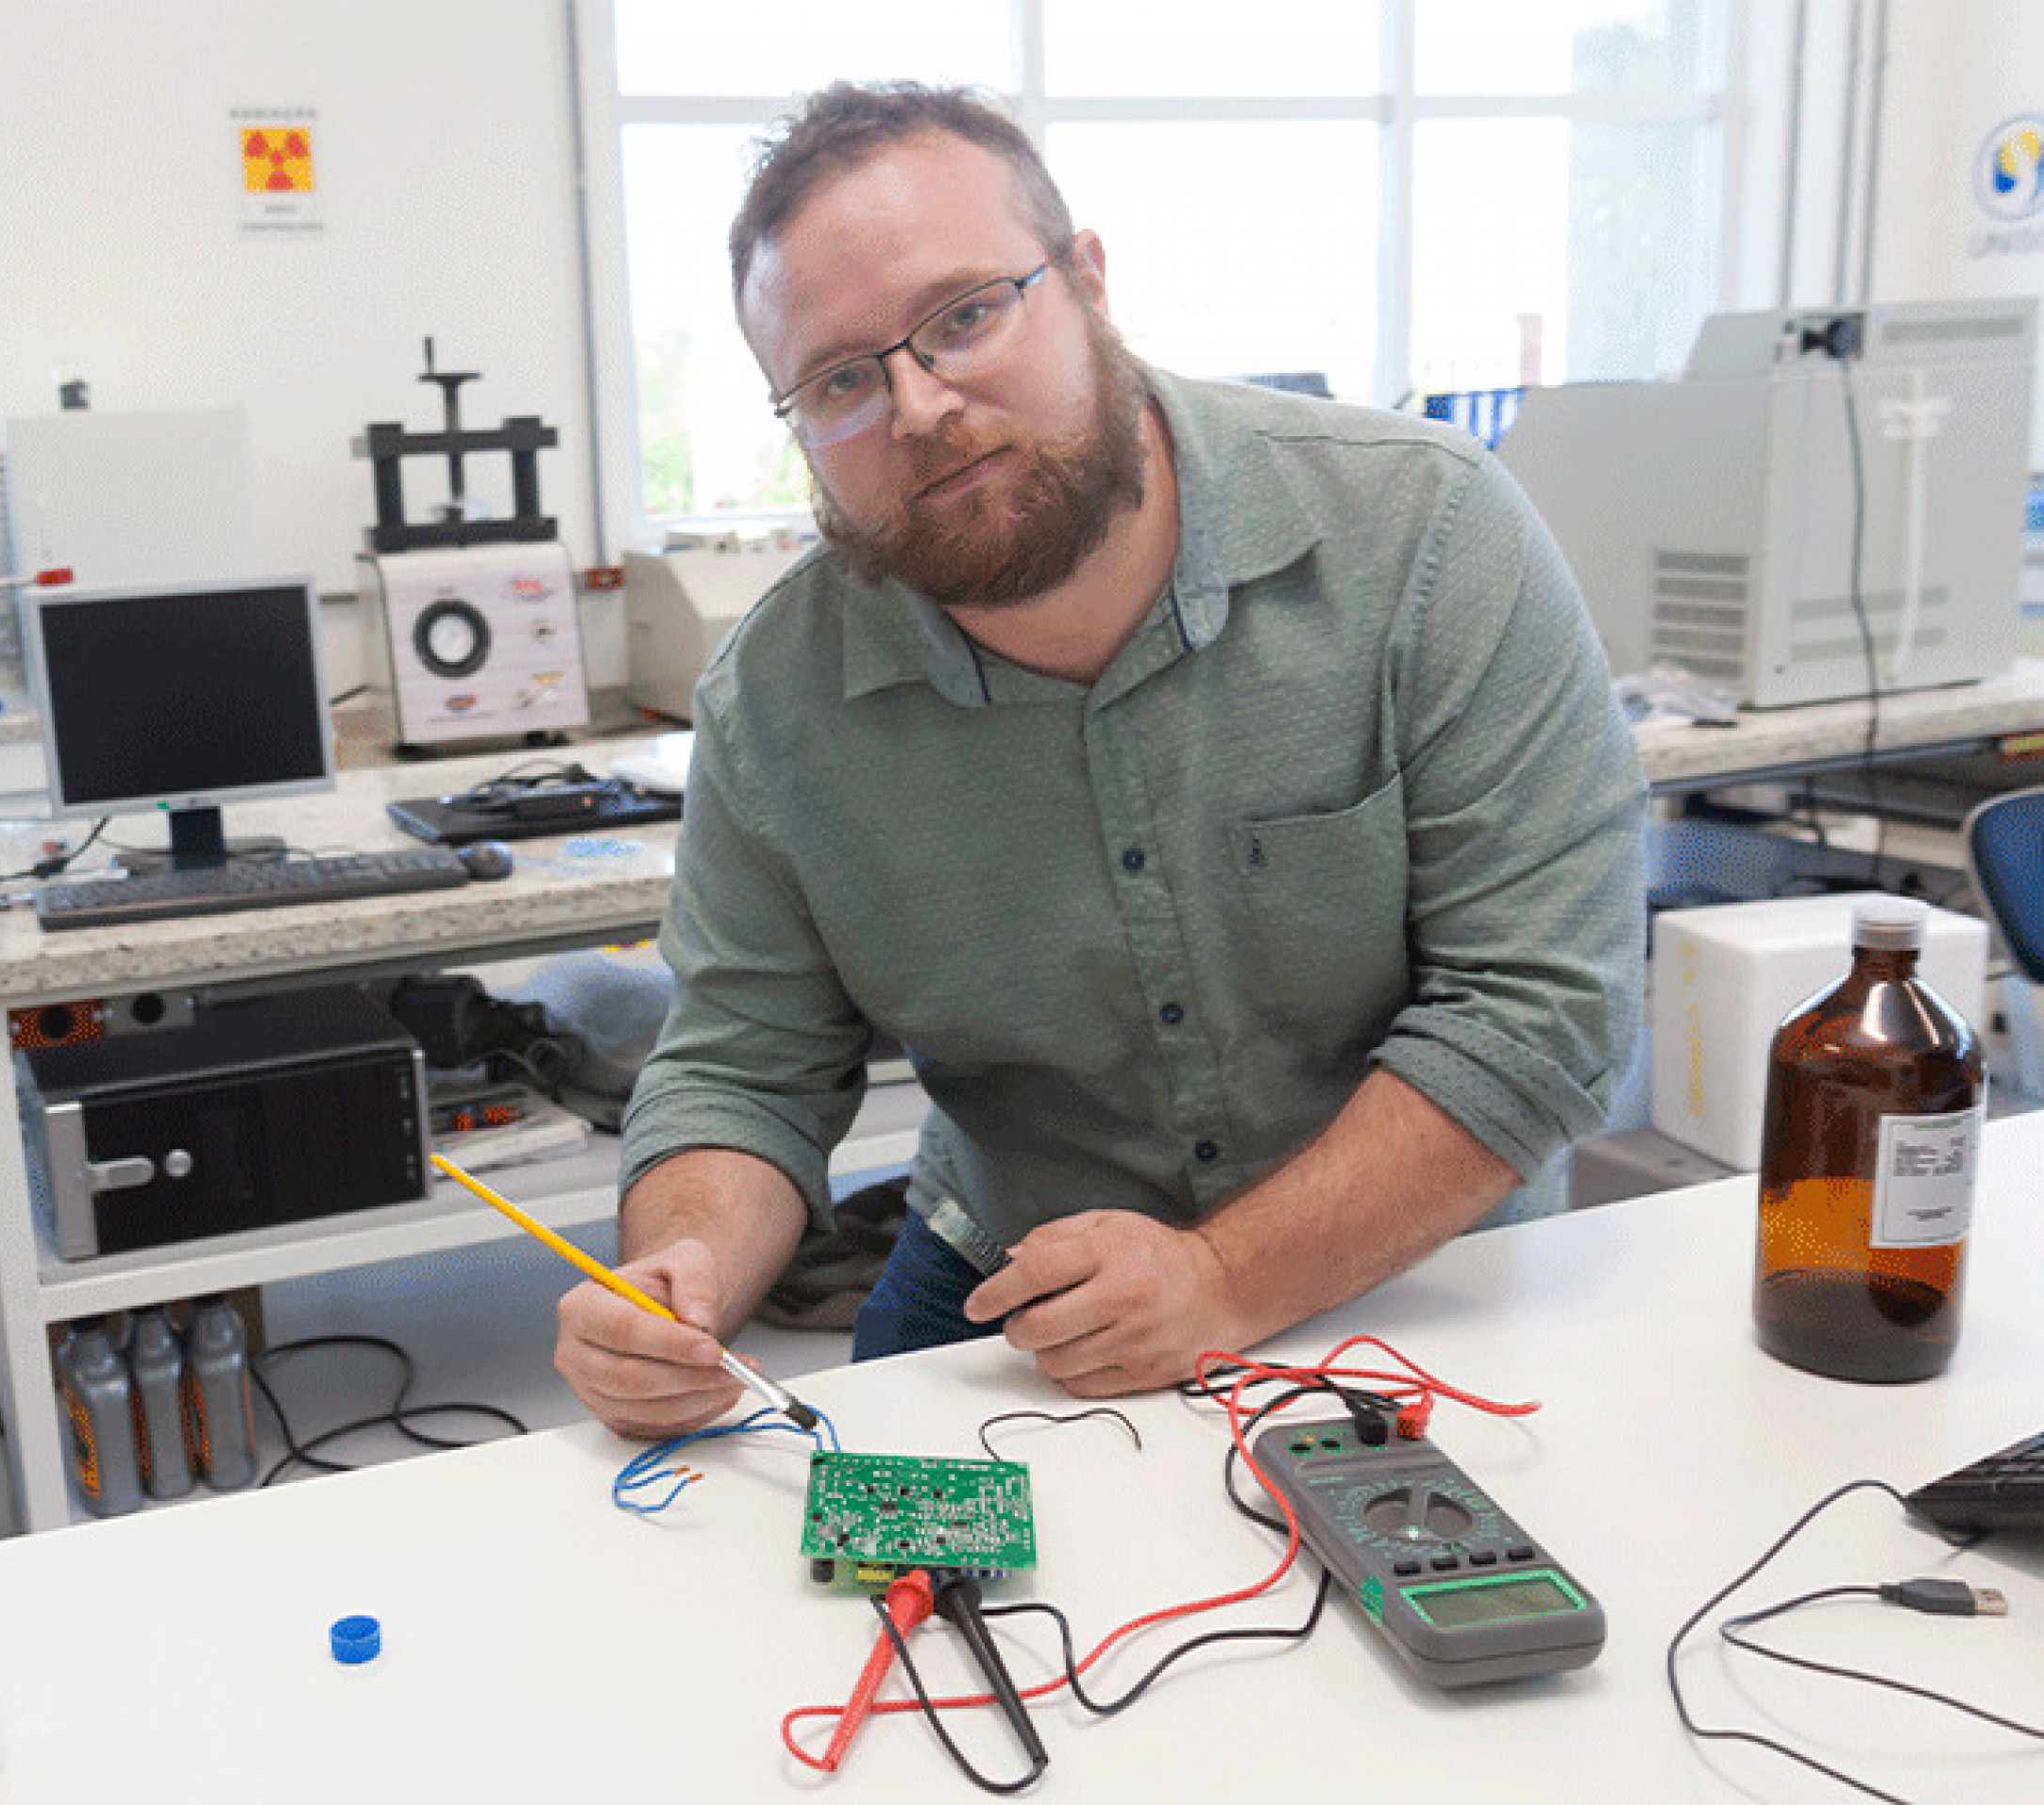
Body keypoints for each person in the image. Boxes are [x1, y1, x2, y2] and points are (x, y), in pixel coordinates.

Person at [557, 80, 1646, 1439]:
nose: (918, 404)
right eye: (841, 378)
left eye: (963, 316)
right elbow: (741, 1070)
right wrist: (683, 1278)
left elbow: (1539, 1005)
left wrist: (1220, 1278)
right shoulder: (776, 703)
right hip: (1017, 1281)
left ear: (1084, 282)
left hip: (1429, 1261)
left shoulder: (1426, 537)